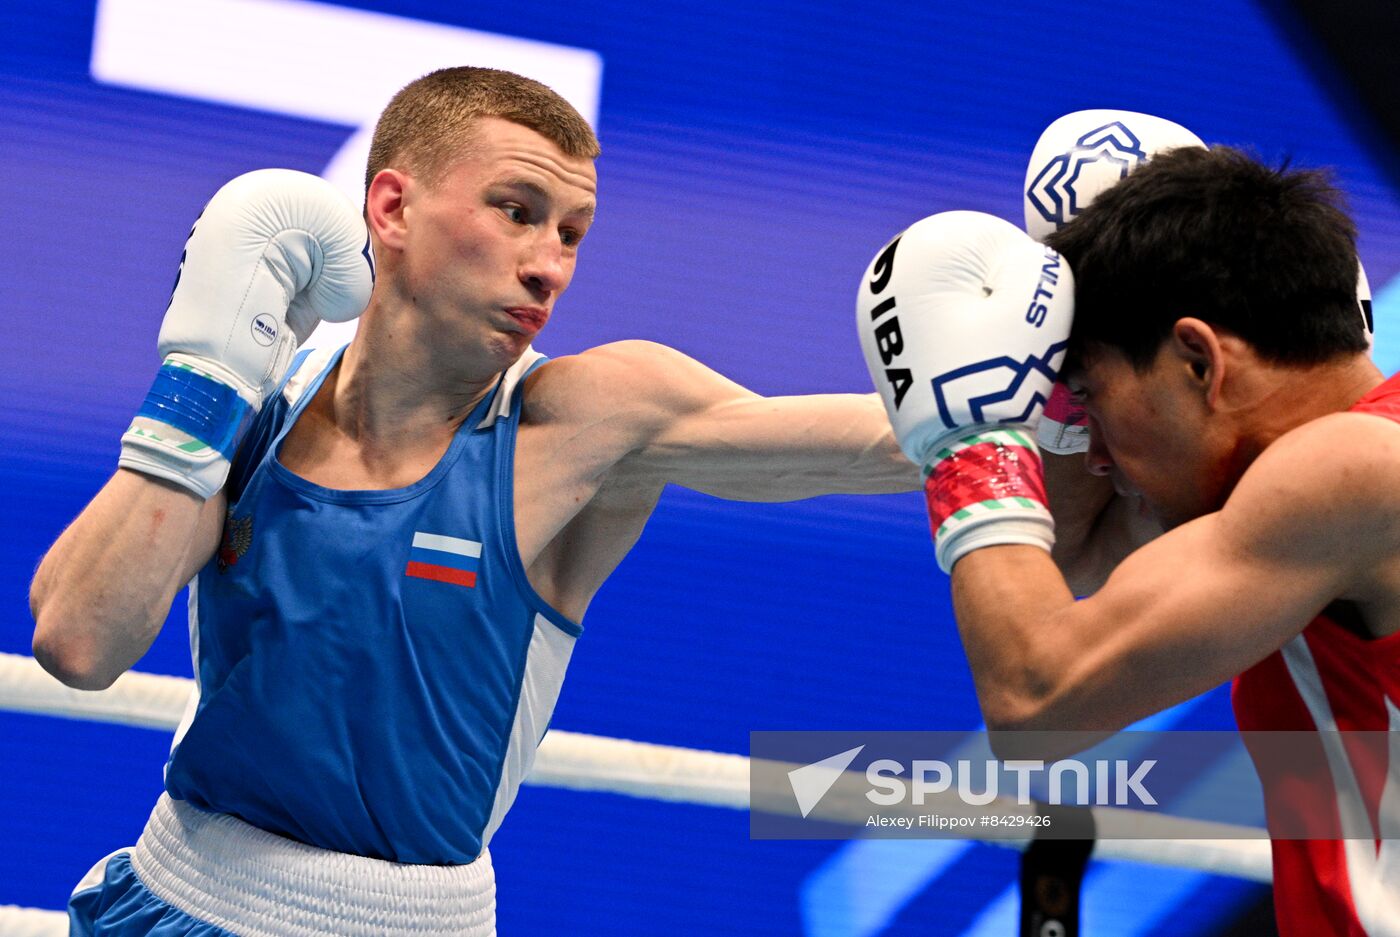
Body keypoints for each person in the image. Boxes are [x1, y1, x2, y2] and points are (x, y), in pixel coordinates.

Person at [29, 66, 920, 935]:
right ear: (392, 209)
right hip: (170, 897)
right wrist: (204, 381)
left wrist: (1023, 398)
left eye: (572, 233)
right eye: (518, 212)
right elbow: (78, 641)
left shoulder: (588, 419)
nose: (550, 268)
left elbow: (887, 441)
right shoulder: (261, 401)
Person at [857, 145, 1399, 935]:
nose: (1098, 451)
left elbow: (1036, 697)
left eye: (1093, 398)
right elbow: (1070, 559)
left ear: (1198, 360)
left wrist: (967, 441)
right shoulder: (1335, 472)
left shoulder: (1344, 468)